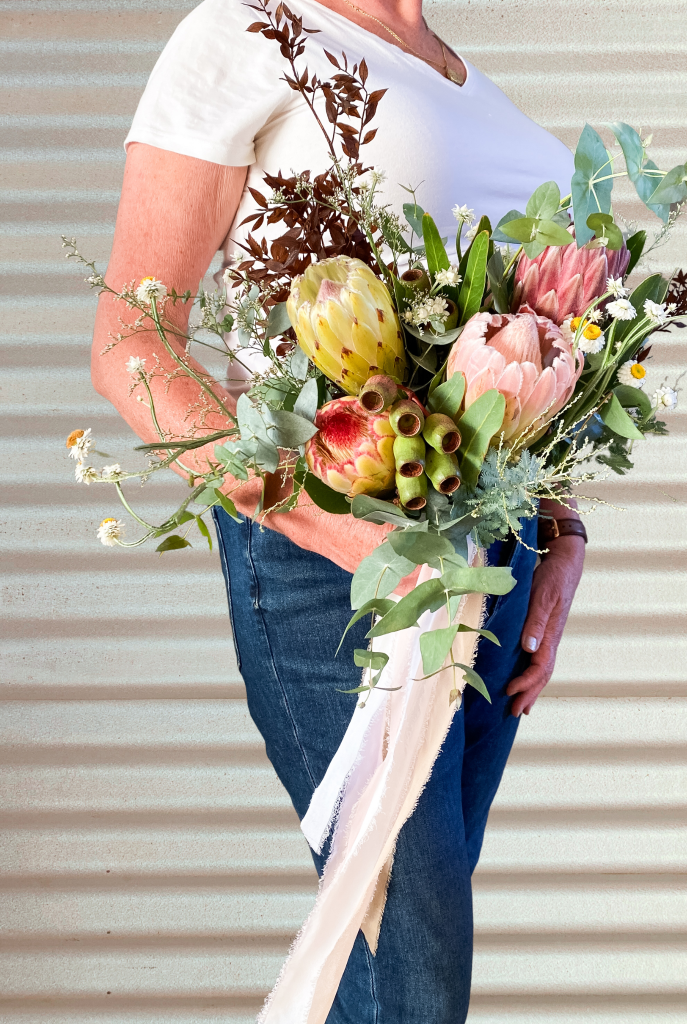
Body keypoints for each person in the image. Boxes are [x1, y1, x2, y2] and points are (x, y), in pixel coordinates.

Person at [93, 1, 586, 1020]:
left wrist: (563, 529)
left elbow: (514, 360)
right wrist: (340, 527)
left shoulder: (463, 81)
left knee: (395, 970)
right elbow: (132, 348)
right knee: (407, 971)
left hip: (493, 565)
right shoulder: (245, 32)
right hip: (343, 566)